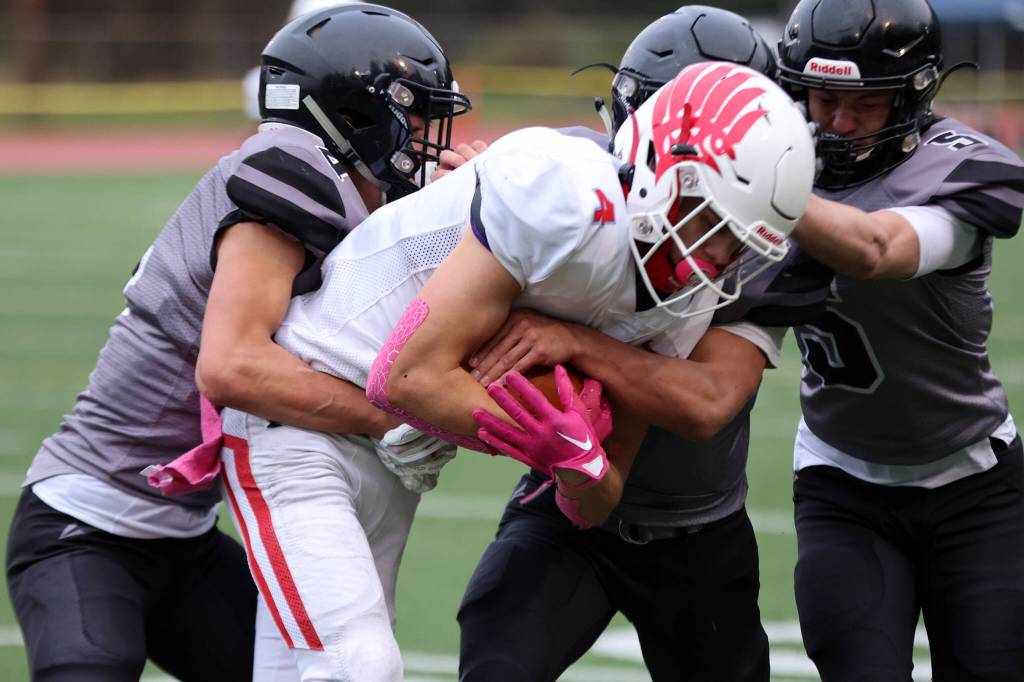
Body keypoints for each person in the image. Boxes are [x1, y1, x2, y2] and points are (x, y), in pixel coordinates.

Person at [215, 62, 815, 682]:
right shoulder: (564, 198)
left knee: (296, 668)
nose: (715, 258)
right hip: (297, 415)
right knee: (356, 665)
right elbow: (406, 377)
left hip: (387, 457)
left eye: (740, 242)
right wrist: (538, 438)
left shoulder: (686, 299)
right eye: (708, 219)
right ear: (658, 162)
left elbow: (597, 494)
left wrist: (577, 465)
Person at [4, 5, 469, 682]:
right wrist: (394, 414)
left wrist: (466, 215)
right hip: (85, 526)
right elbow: (232, 366)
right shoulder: (292, 171)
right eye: (417, 118)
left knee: (306, 664)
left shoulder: (334, 185)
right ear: (356, 114)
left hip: (184, 541)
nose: (426, 140)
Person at [441, 9, 826, 682]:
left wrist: (575, 341)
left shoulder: (759, 241)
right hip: (567, 501)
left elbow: (708, 400)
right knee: (496, 662)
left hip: (695, 534)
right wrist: (473, 209)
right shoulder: (575, 175)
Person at [775, 0, 1024, 679]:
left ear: (913, 95)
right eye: (824, 98)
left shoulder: (963, 169)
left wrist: (759, 186)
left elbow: (878, 249)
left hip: (973, 485)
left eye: (867, 101)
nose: (840, 121)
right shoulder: (776, 165)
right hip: (841, 482)